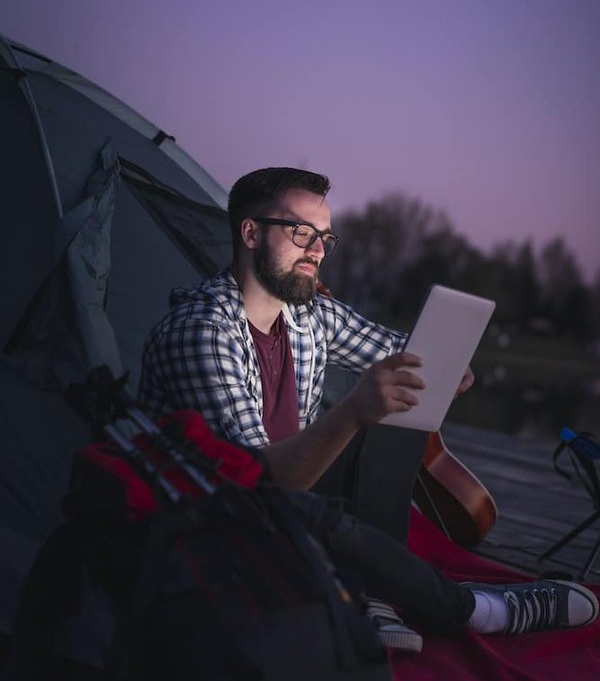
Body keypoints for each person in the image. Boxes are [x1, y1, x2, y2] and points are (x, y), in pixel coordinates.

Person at [139, 167, 598, 647]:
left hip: (289, 495)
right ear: (251, 233)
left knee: (397, 402)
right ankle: (481, 611)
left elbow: (403, 352)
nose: (318, 250)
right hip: (213, 525)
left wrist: (446, 365)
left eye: (325, 237)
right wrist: (353, 410)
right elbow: (262, 487)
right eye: (301, 232)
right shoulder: (203, 332)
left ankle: (376, 597)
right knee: (359, 428)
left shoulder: (307, 314)